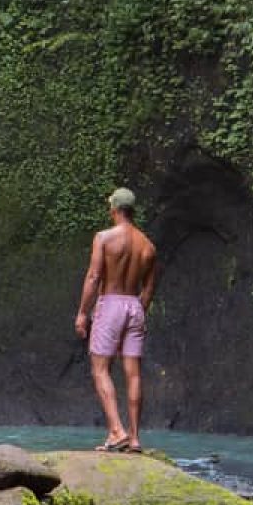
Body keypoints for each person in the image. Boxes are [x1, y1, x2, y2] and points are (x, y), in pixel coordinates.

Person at [74, 186, 158, 452]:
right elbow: (149, 289)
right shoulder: (148, 246)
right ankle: (134, 438)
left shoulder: (104, 238)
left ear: (114, 209)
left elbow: (94, 277)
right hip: (135, 305)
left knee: (100, 368)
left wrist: (82, 313)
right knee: (133, 373)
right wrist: (137, 311)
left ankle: (116, 431)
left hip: (110, 303)